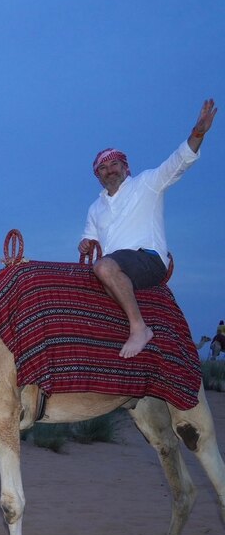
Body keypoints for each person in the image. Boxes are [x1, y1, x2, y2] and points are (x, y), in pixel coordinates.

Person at [79, 98, 216, 359]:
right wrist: (85, 243)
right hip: (116, 266)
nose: (109, 170)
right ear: (98, 175)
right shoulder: (95, 208)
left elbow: (178, 162)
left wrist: (197, 132)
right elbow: (89, 238)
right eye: (103, 168)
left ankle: (139, 328)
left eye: (114, 164)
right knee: (84, 283)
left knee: (104, 267)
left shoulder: (146, 184)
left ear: (125, 166)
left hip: (148, 259)